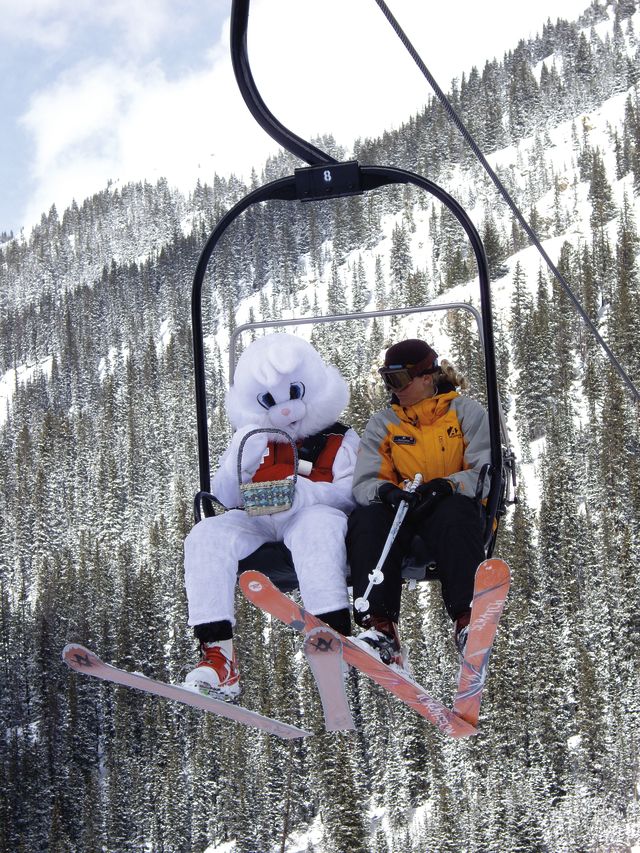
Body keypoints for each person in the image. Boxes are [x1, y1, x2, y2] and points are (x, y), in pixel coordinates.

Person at [183, 333, 358, 699]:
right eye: (270, 402)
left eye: (294, 395)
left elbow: (350, 494)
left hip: (314, 516)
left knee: (317, 527)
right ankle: (219, 654)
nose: (285, 411)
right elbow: (227, 498)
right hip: (259, 520)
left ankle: (333, 630)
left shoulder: (340, 439)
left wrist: (305, 495)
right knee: (206, 536)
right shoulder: (253, 440)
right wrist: (238, 462)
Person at [346, 338, 490, 670]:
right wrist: (387, 492)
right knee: (367, 520)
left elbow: (485, 471)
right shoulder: (385, 423)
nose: (393, 389)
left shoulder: (465, 414)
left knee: (454, 513)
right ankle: (379, 627)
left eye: (398, 380)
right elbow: (365, 482)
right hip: (404, 512)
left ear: (427, 377)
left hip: (451, 508)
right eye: (387, 380)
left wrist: (450, 485)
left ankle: (468, 619)